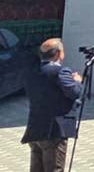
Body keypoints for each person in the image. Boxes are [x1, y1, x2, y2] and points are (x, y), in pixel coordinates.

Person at [21, 38, 83, 172]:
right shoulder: (60, 71)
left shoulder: (32, 72)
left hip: (35, 127)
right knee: (55, 168)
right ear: (59, 54)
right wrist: (77, 81)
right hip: (54, 130)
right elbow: (75, 92)